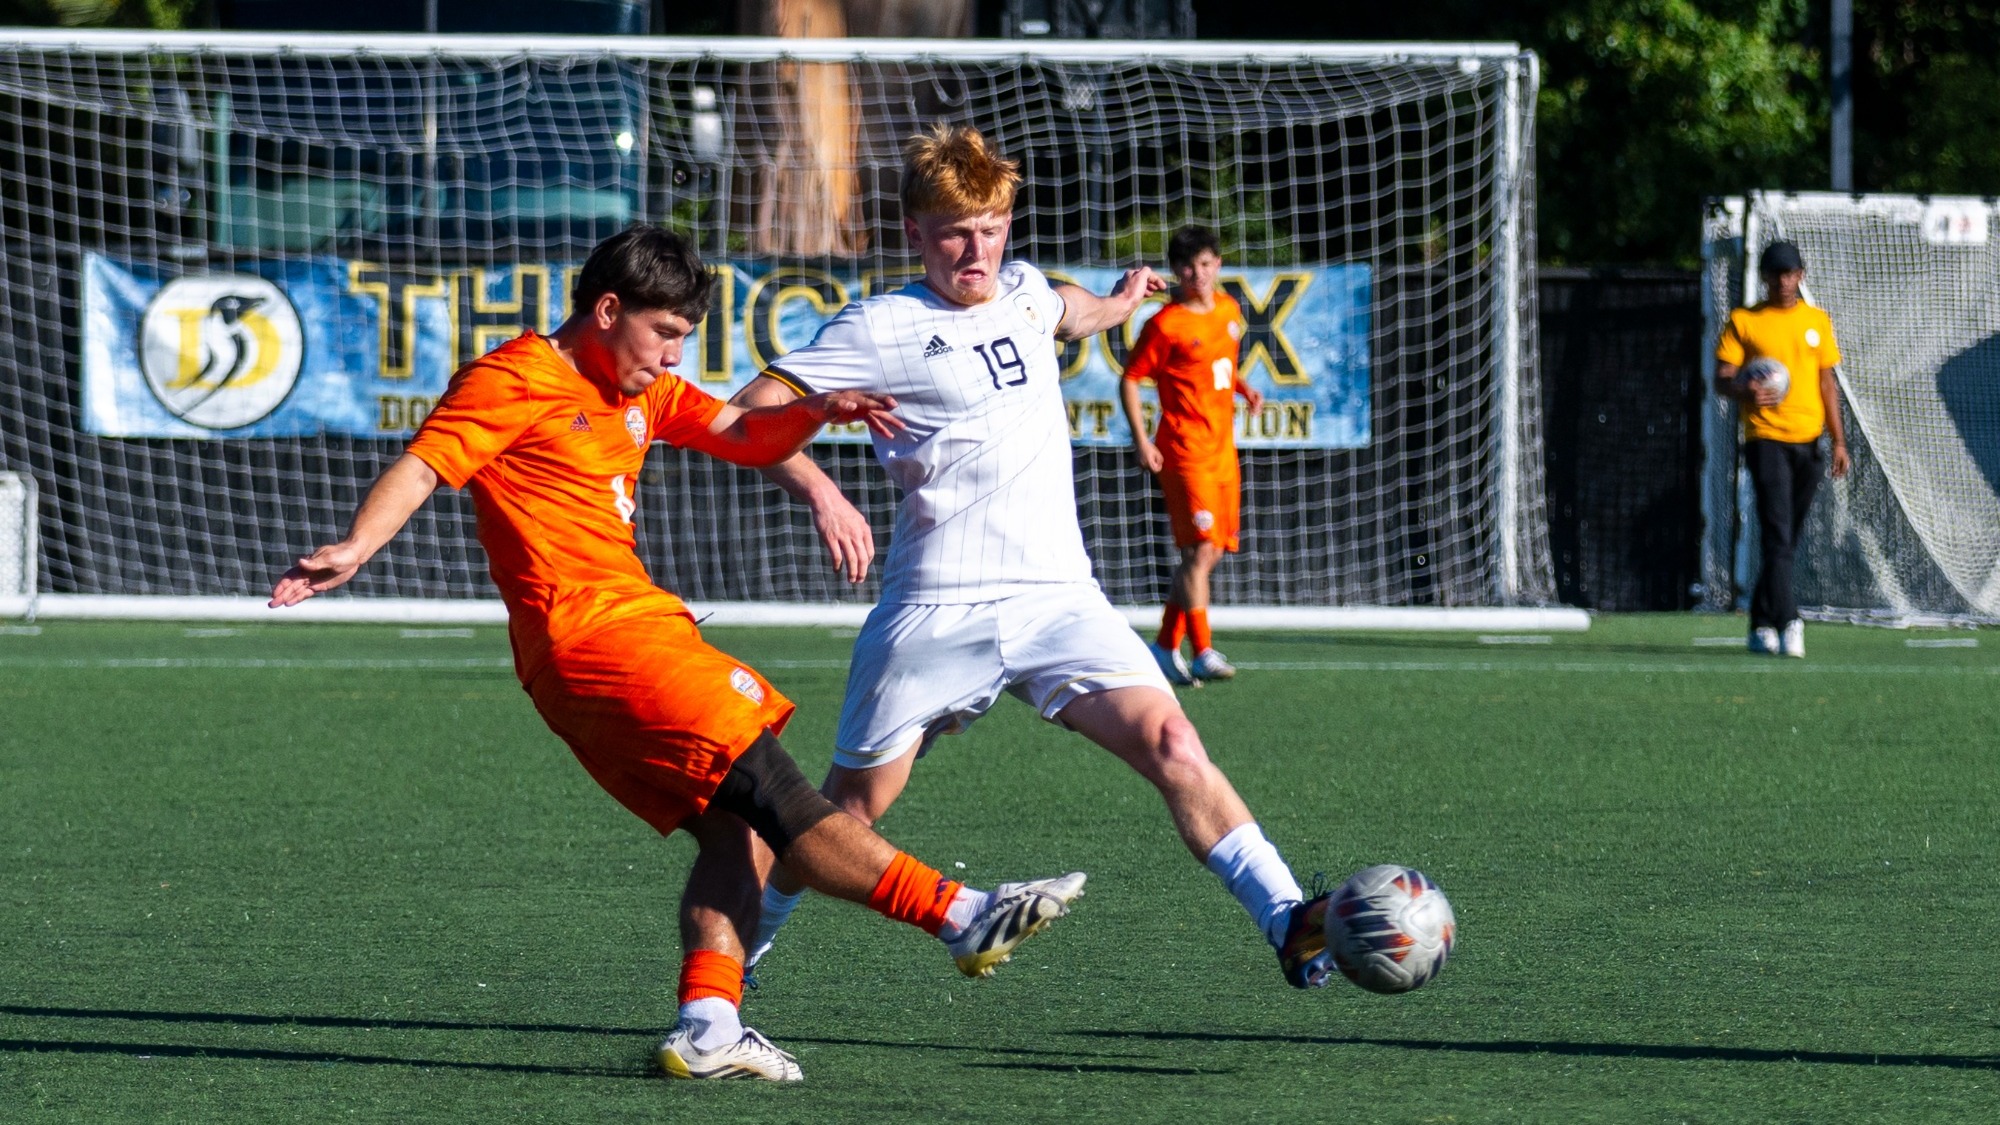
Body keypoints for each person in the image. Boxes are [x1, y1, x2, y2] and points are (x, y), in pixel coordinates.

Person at [267, 225, 1085, 1083]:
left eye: (682, 342)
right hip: (598, 641)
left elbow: (740, 432)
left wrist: (815, 414)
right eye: (663, 334)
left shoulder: (643, 393)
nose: (668, 359)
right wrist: (356, 546)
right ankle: (961, 915)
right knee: (777, 791)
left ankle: (708, 1024)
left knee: (741, 834)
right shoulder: (515, 378)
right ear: (608, 309)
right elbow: (426, 466)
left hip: (618, 643)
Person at [732, 125, 1336, 991]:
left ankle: (1285, 918)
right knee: (844, 815)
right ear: (912, 232)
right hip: (936, 607)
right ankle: (739, 957)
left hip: (1059, 597)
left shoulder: (1021, 289)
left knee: (1174, 738)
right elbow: (746, 414)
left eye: (990, 225)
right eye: (952, 230)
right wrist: (824, 488)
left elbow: (1069, 309)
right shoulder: (881, 324)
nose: (975, 248)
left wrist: (1121, 303)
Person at [1116, 225, 1264, 685]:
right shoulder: (1165, 324)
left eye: (1205, 263)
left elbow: (1219, 365)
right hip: (1183, 450)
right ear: (1176, 271)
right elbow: (1131, 378)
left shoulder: (1228, 310)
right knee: (1199, 550)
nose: (1197, 273)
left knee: (1212, 552)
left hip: (1223, 451)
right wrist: (1142, 440)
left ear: (1217, 264)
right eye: (1187, 266)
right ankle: (1202, 651)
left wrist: (1242, 387)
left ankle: (1163, 645)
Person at [1713, 239, 1849, 658]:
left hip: (1809, 440)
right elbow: (1722, 378)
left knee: (1787, 537)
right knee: (1776, 529)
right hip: (1765, 438)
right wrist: (1743, 392)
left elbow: (1827, 382)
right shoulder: (1745, 321)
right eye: (1776, 274)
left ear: (1801, 276)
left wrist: (1839, 439)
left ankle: (1760, 623)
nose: (1784, 281)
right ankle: (1790, 619)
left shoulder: (1817, 322)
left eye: (1791, 273)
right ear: (1765, 277)